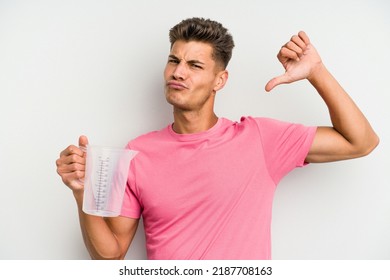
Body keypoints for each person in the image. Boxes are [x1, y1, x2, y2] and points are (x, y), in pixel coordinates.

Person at [56, 17, 379, 260]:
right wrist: (81, 193)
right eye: (174, 60)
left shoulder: (260, 139)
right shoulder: (138, 153)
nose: (178, 72)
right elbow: (110, 255)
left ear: (219, 80)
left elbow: (361, 141)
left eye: (194, 65)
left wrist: (317, 72)